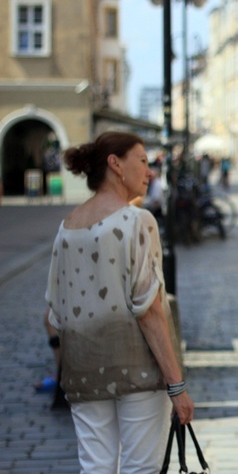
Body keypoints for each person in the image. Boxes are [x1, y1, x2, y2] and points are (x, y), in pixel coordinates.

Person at [45, 131, 194, 472]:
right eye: (142, 161)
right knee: (140, 467)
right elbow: (151, 310)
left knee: (95, 467)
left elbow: (56, 313)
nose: (149, 171)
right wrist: (177, 384)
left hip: (82, 370)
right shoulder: (137, 221)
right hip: (137, 368)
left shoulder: (66, 227)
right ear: (115, 164)